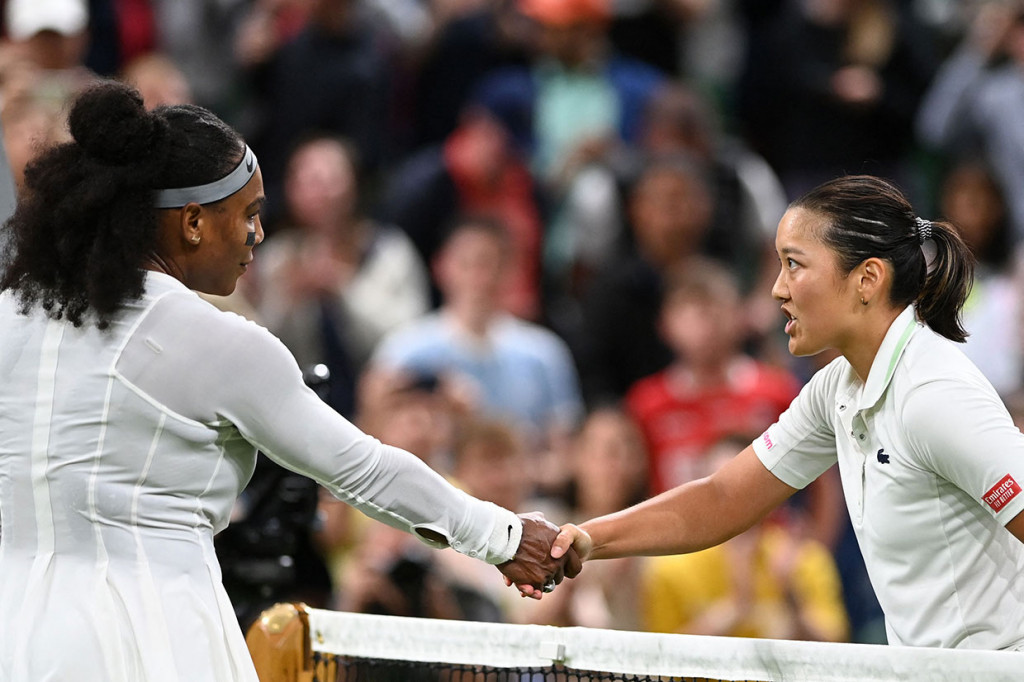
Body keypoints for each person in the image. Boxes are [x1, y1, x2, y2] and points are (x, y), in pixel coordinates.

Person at [0, 81, 578, 682]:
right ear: (193, 221)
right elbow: (366, 471)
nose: (259, 236)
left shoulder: (5, 317)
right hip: (157, 636)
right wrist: (507, 537)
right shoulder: (218, 342)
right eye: (248, 215)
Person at [550, 174, 1024, 650]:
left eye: (794, 265)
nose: (777, 290)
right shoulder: (834, 390)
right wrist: (586, 538)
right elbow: (722, 499)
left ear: (867, 279)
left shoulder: (933, 395)